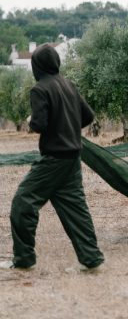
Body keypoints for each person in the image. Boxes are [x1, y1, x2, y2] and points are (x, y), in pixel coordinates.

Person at [2, 44, 105, 270]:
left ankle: (23, 259)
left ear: (36, 66)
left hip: (53, 159)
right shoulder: (69, 85)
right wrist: (66, 124)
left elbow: (39, 124)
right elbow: (88, 116)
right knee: (76, 209)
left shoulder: (40, 89)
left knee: (22, 203)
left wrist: (31, 120)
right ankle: (91, 257)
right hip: (73, 158)